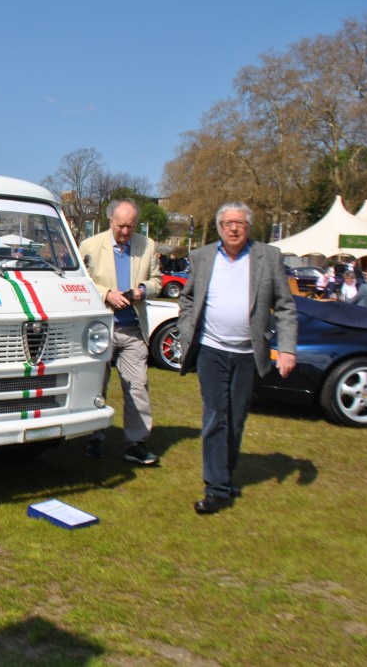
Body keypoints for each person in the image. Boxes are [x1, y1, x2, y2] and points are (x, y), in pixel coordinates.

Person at [178, 201, 297, 515]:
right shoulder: (202, 256)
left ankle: (224, 476)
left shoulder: (268, 257)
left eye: (240, 223)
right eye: (227, 223)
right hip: (211, 350)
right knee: (215, 415)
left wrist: (287, 349)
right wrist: (186, 328)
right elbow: (187, 298)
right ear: (219, 227)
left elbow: (285, 306)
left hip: (247, 353)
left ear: (249, 227)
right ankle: (216, 488)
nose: (233, 228)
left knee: (236, 418)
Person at [78, 199, 164, 465]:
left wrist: (141, 291)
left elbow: (157, 281)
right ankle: (93, 438)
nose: (125, 231)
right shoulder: (90, 246)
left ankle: (136, 443)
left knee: (138, 386)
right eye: (120, 225)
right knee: (95, 385)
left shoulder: (147, 245)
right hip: (100, 329)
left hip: (133, 329)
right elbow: (80, 282)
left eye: (130, 226)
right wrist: (107, 294)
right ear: (110, 222)